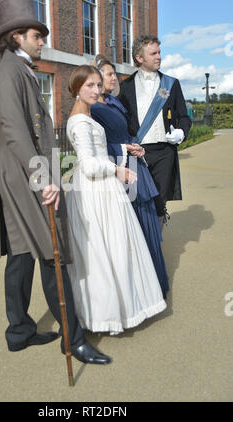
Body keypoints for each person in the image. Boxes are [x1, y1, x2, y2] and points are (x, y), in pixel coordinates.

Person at [0, 0, 111, 364]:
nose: (42, 40)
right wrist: (44, 179)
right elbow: (13, 129)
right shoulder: (9, 71)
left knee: (23, 256)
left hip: (23, 173)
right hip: (26, 177)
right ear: (16, 37)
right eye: (36, 35)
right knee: (50, 252)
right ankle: (72, 339)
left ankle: (19, 332)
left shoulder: (19, 68)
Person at [65, 65, 167, 336]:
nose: (97, 90)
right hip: (96, 191)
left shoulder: (87, 117)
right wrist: (117, 170)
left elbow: (98, 150)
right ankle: (107, 315)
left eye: (98, 84)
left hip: (104, 189)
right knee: (103, 253)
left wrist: (123, 148)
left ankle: (124, 308)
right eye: (90, 85)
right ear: (76, 89)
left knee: (116, 249)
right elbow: (88, 165)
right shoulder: (79, 121)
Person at [91, 54, 169, 298]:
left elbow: (127, 133)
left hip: (135, 164)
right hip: (118, 169)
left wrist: (136, 145)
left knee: (147, 223)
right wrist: (125, 148)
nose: (115, 78)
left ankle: (154, 286)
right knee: (132, 229)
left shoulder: (113, 104)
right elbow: (96, 147)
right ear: (96, 78)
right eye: (110, 74)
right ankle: (139, 291)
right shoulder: (94, 109)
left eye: (114, 73)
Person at [118, 35, 192, 229]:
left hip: (164, 152)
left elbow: (184, 117)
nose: (159, 57)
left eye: (159, 52)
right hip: (137, 151)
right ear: (139, 58)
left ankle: (156, 242)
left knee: (159, 198)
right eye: (153, 53)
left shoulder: (170, 84)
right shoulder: (125, 87)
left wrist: (181, 133)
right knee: (139, 197)